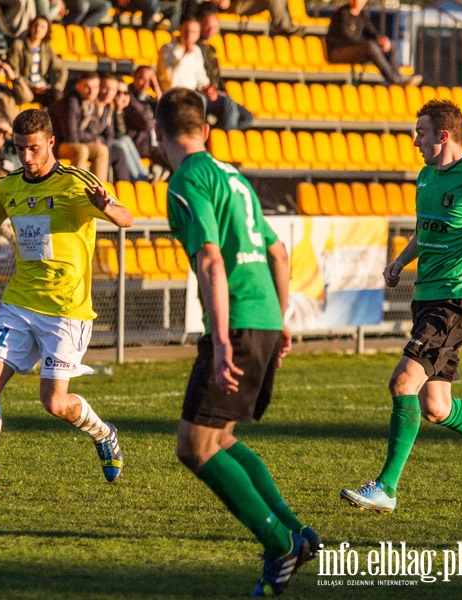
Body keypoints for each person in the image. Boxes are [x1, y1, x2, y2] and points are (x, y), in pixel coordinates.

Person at [155, 87, 318, 596]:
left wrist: (221, 339)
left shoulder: (186, 180)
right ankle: (297, 531)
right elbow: (281, 252)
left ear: (159, 136)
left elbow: (209, 259)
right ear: (205, 130)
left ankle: (279, 545)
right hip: (266, 314)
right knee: (222, 438)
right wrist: (282, 319)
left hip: (240, 323)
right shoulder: (233, 176)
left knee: (195, 447)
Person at [0, 108, 133, 498]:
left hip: (66, 310)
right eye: (18, 149)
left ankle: (103, 432)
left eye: (32, 148)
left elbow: (125, 217)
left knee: (54, 402)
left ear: (49, 143)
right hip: (19, 301)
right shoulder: (8, 188)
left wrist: (109, 208)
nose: (26, 157)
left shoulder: (77, 183)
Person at [340, 99, 462, 513]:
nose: (415, 140)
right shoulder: (424, 177)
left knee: (403, 382)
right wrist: (400, 261)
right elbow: (424, 230)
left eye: (421, 131)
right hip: (426, 296)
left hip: (456, 300)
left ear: (444, 135)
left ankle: (386, 488)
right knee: (436, 406)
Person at [158, 16, 251, 132]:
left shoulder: (196, 50)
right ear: (180, 29)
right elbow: (172, 78)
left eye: (193, 32)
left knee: (227, 103)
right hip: (176, 95)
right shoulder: (168, 49)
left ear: (198, 34)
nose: (189, 35)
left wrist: (208, 88)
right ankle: (199, 133)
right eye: (187, 31)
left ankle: (221, 137)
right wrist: (186, 55)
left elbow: (201, 77)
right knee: (200, 100)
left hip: (193, 93)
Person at [326, 0, 421, 87]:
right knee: (370, 47)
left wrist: (382, 41)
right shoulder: (342, 13)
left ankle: (398, 79)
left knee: (391, 46)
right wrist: (373, 44)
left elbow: (371, 32)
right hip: (338, 52)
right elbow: (347, 38)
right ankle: (393, 80)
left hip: (353, 51)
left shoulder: (361, 15)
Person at [48, 71, 110, 182]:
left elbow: (93, 132)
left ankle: (99, 191)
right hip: (56, 144)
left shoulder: (92, 103)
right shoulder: (70, 102)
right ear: (78, 86)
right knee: (81, 150)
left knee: (102, 150)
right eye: (87, 87)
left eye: (95, 87)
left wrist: (94, 138)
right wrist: (93, 138)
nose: (92, 91)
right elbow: (71, 136)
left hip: (77, 142)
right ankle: (76, 190)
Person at [5, 15, 67, 108]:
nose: (38, 29)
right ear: (30, 27)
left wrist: (57, 87)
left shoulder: (46, 48)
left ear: (47, 31)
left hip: (42, 88)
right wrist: (33, 87)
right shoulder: (18, 45)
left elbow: (61, 68)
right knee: (27, 97)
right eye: (36, 25)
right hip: (25, 88)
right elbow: (14, 72)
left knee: (57, 96)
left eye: (42, 27)